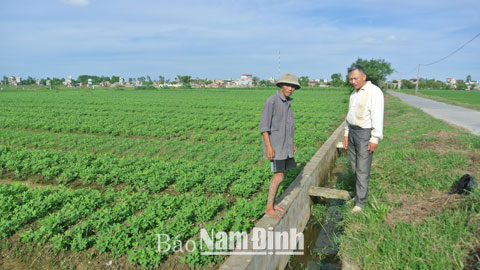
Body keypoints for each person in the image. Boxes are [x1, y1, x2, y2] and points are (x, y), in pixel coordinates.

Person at [342, 65, 384, 214]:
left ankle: (360, 203)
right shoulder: (354, 93)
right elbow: (349, 115)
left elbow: (377, 115)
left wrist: (375, 138)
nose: (353, 81)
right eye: (350, 79)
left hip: (365, 134)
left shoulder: (374, 92)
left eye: (355, 78)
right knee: (355, 167)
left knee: (362, 169)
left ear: (364, 77)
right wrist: (346, 134)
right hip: (352, 132)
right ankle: (358, 195)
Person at [260, 73, 300, 219]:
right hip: (276, 147)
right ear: (281, 85)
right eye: (288, 85)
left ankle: (273, 204)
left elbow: (287, 127)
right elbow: (264, 127)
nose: (290, 88)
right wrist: (268, 147)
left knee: (281, 176)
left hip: (285, 146)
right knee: (278, 177)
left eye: (293, 86)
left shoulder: (288, 103)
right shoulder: (271, 101)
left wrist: (292, 143)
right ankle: (268, 208)